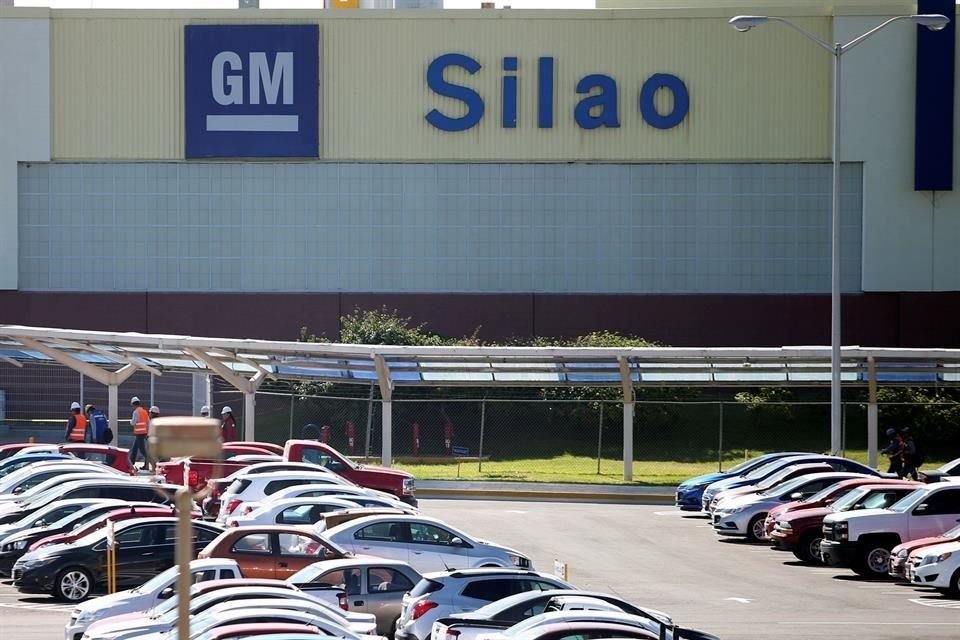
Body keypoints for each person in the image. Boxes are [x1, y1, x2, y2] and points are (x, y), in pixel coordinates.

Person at [128, 396, 150, 469]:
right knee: (135, 448)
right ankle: (131, 462)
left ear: (133, 404)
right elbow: (148, 422)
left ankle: (148, 462)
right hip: (144, 432)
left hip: (139, 433)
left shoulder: (136, 412)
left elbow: (134, 422)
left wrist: (130, 422)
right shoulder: (144, 411)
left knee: (142, 450)